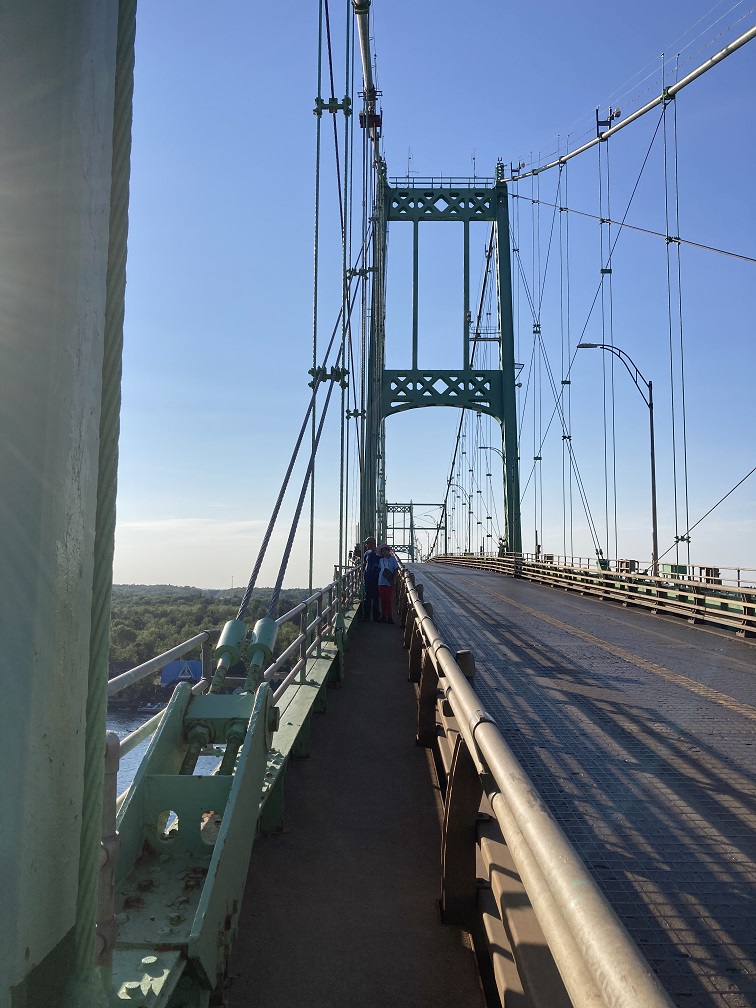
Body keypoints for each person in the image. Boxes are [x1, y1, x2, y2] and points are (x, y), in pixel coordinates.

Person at [376, 544, 399, 624]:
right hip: (381, 581)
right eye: (382, 551)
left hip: (390, 582)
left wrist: (395, 581)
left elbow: (396, 570)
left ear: (389, 551)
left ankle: (389, 616)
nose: (384, 552)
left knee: (389, 599)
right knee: (383, 599)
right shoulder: (381, 560)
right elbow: (379, 570)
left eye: (385, 551)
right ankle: (383, 616)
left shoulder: (393, 559)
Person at [361, 536, 381, 621]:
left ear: (372, 544)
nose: (366, 545)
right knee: (374, 598)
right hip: (373, 578)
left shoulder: (374, 553)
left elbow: (364, 564)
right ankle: (374, 616)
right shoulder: (378, 553)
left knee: (369, 598)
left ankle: (367, 616)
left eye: (367, 543)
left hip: (371, 578)